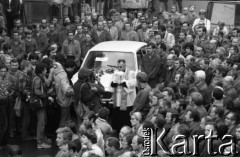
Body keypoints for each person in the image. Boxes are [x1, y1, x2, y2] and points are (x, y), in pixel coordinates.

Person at [111, 59, 136, 133]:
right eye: (118, 67)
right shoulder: (116, 72)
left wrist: (123, 81)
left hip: (127, 101)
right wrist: (115, 81)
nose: (119, 68)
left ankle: (126, 131)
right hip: (117, 99)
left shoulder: (131, 73)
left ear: (125, 66)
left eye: (121, 67)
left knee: (124, 118)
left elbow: (132, 84)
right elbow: (112, 84)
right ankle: (117, 130)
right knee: (117, 116)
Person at [33, 63, 53, 149]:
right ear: (41, 70)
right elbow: (36, 91)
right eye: (45, 69)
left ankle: (42, 138)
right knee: (41, 123)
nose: (46, 70)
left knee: (43, 121)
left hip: (42, 103)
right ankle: (40, 143)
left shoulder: (40, 77)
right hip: (40, 103)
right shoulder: (38, 79)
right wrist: (47, 96)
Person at [51, 54, 74, 127]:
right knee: (64, 120)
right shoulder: (64, 75)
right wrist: (73, 91)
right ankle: (61, 135)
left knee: (63, 119)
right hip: (65, 101)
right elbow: (67, 90)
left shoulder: (55, 72)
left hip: (59, 98)